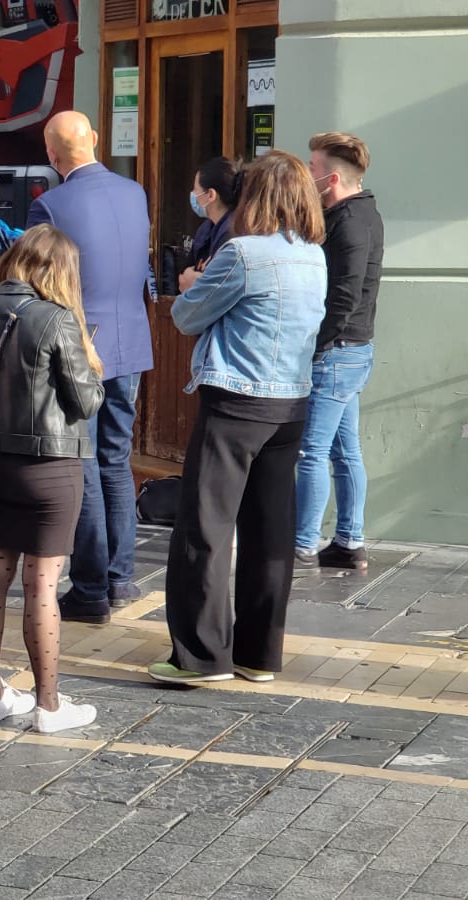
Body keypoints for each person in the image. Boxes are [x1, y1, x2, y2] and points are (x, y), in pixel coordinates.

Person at [150, 151, 328, 685]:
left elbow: (186, 316)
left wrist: (188, 285)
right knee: (270, 532)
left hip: (236, 400)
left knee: (205, 527)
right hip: (291, 403)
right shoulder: (314, 254)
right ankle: (258, 654)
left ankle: (203, 657)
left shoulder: (243, 254)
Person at [0, 227, 105, 732]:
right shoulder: (57, 319)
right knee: (42, 585)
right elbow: (85, 402)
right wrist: (92, 359)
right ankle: (49, 706)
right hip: (51, 468)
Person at [27, 111, 153, 624]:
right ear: (96, 141)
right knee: (115, 460)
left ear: (52, 155)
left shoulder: (50, 204)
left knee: (83, 462)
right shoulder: (135, 192)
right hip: (132, 342)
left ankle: (92, 586)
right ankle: (120, 578)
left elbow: (39, 283)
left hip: (83, 346)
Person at [295, 132, 384, 571]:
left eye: (311, 169)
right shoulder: (366, 212)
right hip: (353, 349)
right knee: (344, 450)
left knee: (311, 451)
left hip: (337, 352)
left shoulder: (348, 222)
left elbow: (343, 298)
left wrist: (314, 349)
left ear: (330, 178)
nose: (306, 175)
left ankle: (302, 544)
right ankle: (349, 540)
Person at [186, 157, 242, 272]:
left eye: (196, 190)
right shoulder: (206, 229)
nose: (193, 194)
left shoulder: (233, 235)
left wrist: (196, 283)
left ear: (211, 195)